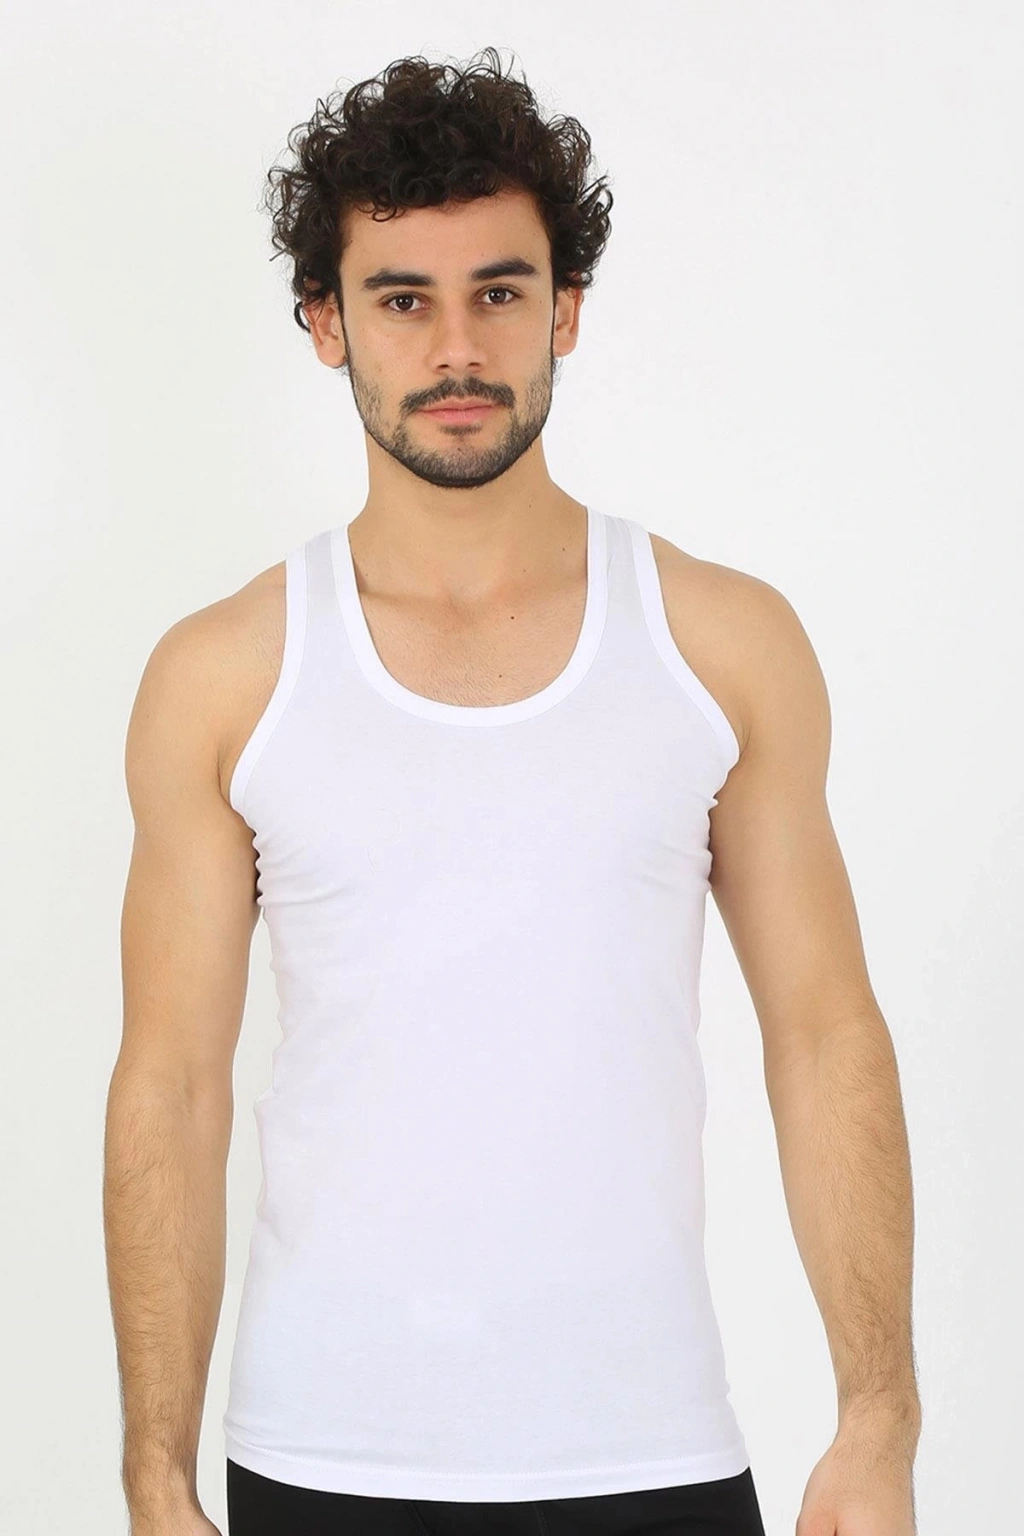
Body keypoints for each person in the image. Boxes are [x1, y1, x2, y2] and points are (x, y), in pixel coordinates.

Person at [103, 47, 921, 1536]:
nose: (457, 346)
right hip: (322, 1458)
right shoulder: (224, 679)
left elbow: (824, 1038)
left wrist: (881, 1420)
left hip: (652, 1454)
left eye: (499, 290)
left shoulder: (720, 646)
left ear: (566, 310)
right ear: (326, 323)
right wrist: (154, 1469)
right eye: (401, 299)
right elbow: (170, 1082)